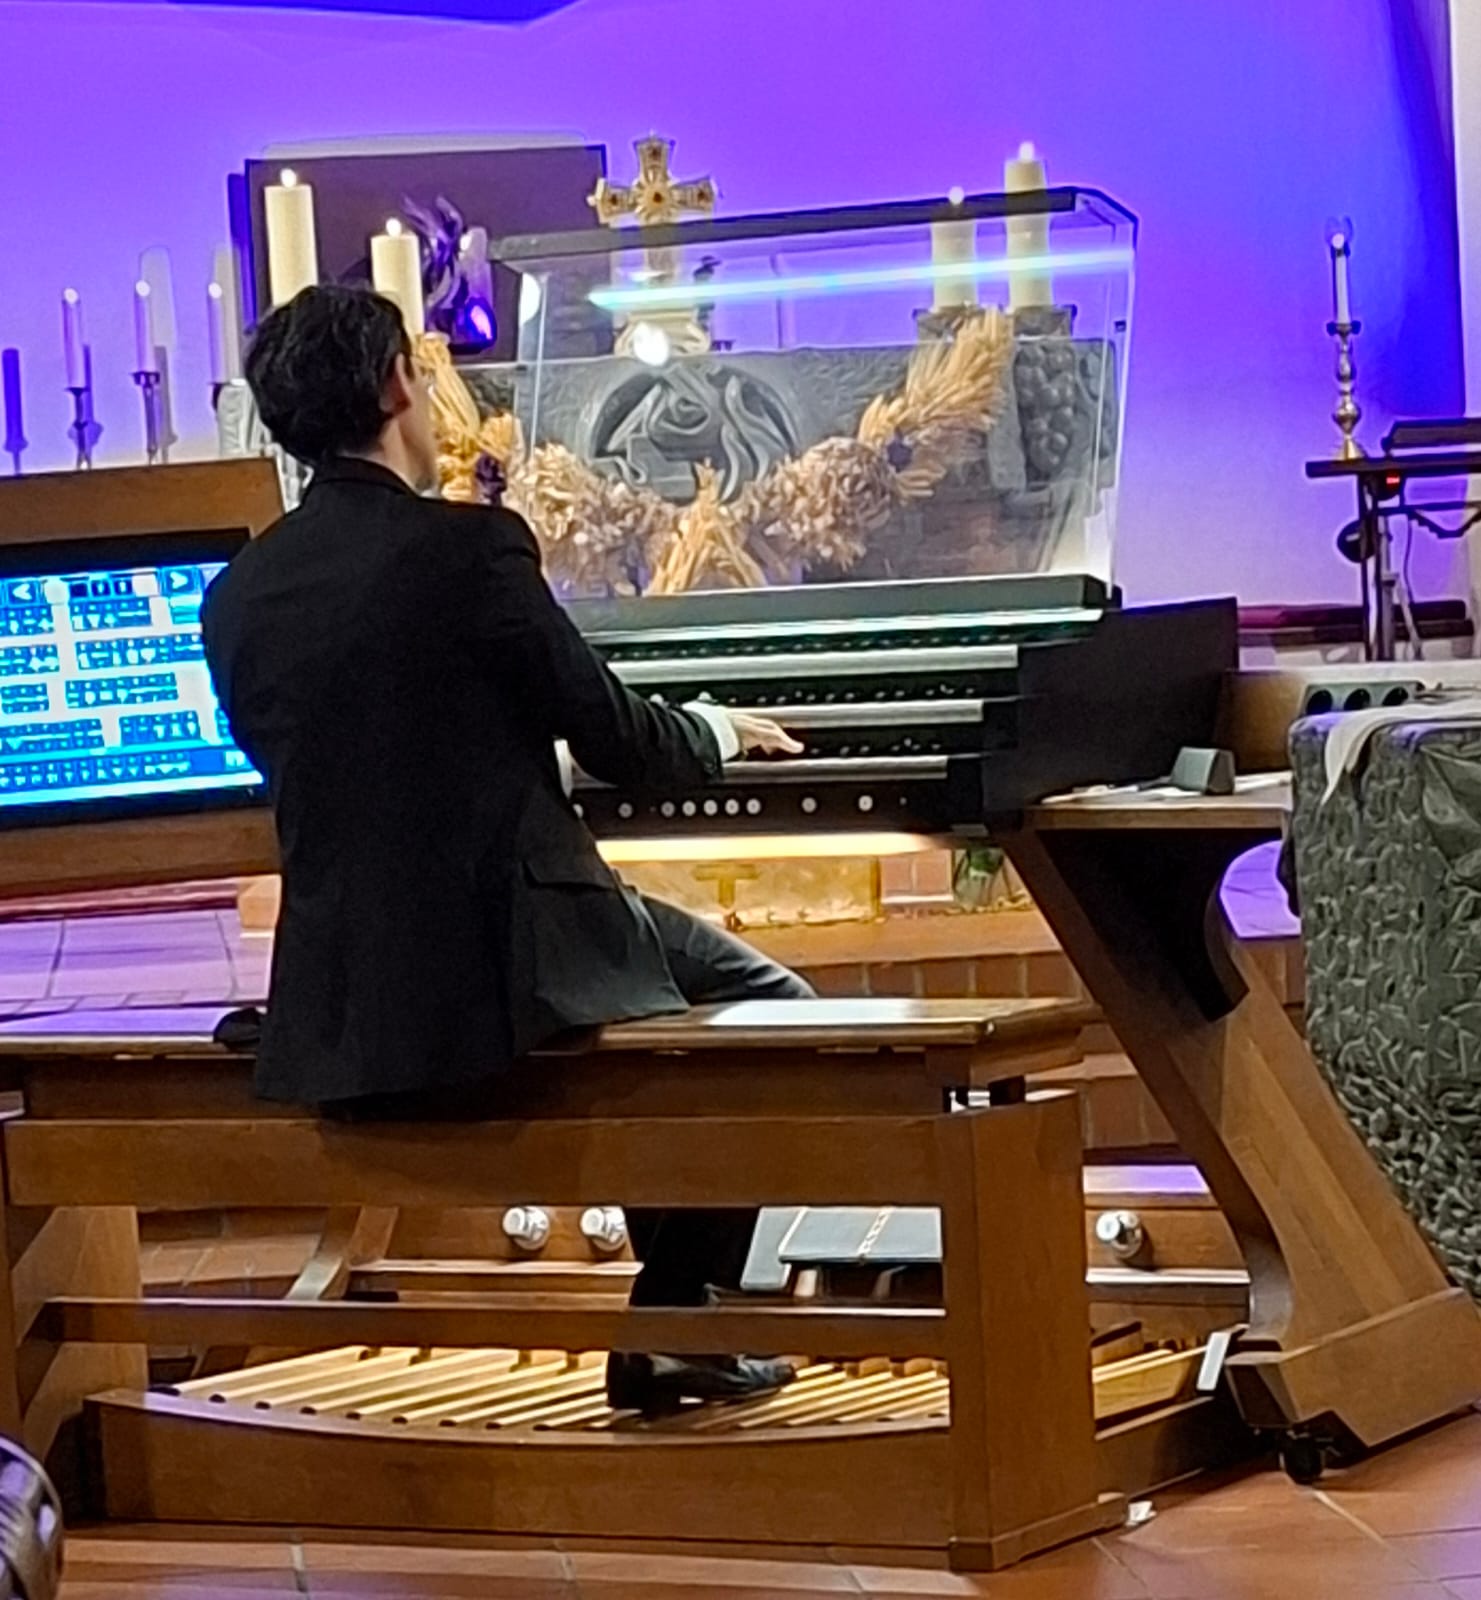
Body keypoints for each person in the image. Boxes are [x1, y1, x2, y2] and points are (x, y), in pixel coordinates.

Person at [202, 285, 814, 1414]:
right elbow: (620, 738)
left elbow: (370, 758)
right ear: (398, 383)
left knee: (673, 1018)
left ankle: (678, 1330)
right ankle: (674, 1318)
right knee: (779, 1017)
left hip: (341, 990)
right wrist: (717, 732)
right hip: (504, 962)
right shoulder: (469, 550)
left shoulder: (238, 595)